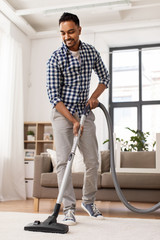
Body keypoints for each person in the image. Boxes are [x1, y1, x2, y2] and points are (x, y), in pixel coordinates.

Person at [46, 12, 110, 226]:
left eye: (71, 31)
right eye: (63, 33)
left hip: (84, 112)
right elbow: (54, 97)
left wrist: (94, 97)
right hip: (62, 114)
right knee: (64, 162)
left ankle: (89, 202)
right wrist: (72, 121)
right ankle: (69, 208)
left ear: (79, 30)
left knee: (93, 160)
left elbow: (105, 77)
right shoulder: (55, 58)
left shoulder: (91, 52)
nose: (67, 36)